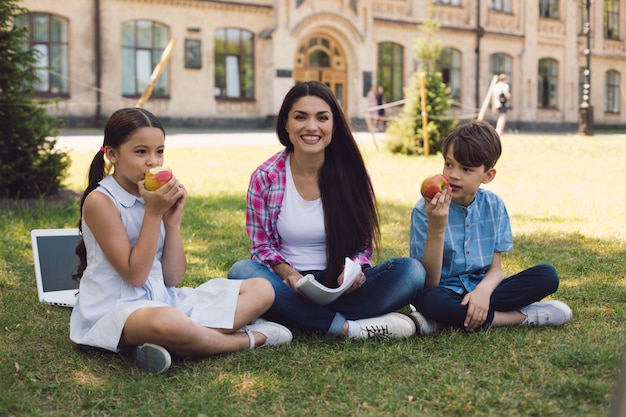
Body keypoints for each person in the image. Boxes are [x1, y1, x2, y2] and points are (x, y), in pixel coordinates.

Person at [69, 107, 292, 374]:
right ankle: (248, 338)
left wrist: (172, 222)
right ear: (112, 154)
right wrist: (153, 213)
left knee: (262, 289)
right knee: (168, 322)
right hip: (117, 308)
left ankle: (173, 342)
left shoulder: (153, 196)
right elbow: (135, 276)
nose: (153, 162)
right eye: (141, 152)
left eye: (159, 151)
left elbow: (173, 277)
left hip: (163, 299)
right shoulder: (101, 201)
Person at [228, 81, 425, 340]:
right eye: (300, 117)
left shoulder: (353, 174)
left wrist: (354, 269)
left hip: (341, 285)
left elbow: (364, 240)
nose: (311, 127)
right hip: (289, 284)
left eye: (322, 118)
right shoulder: (266, 177)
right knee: (241, 271)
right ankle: (349, 328)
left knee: (411, 272)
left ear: (333, 125)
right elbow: (261, 246)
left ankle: (296, 318)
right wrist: (289, 275)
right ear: (286, 124)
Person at [409, 120, 572, 334]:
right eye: (449, 164)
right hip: (443, 292)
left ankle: (446, 320)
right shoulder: (425, 209)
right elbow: (430, 283)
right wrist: (437, 228)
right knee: (429, 299)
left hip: (487, 290)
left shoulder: (494, 205)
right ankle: (520, 317)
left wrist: (483, 292)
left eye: (466, 169)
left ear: (487, 176)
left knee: (547, 275)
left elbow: (495, 269)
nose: (453, 175)